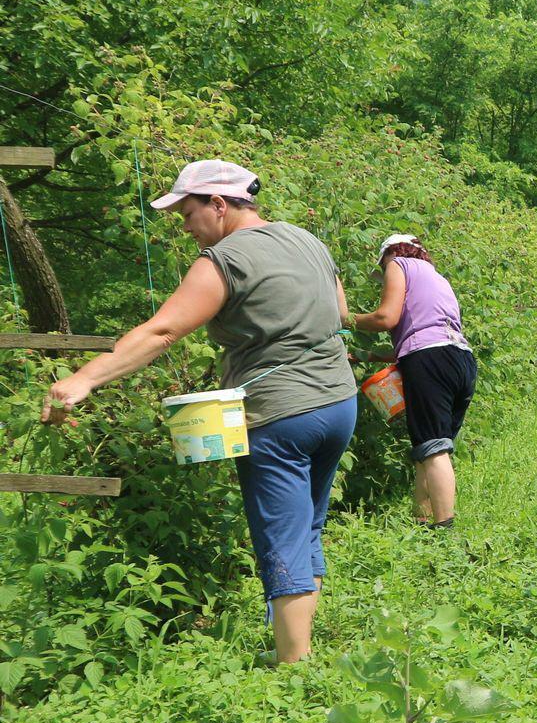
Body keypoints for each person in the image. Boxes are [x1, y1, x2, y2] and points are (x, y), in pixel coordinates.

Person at [41, 159, 356, 664]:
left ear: (219, 204)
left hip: (280, 415)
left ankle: (294, 671)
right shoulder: (306, 239)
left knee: (281, 536)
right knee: (307, 527)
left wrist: (84, 379)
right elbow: (340, 314)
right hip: (339, 403)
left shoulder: (224, 259)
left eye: (188, 213)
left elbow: (164, 331)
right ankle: (298, 643)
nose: (186, 227)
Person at [349, 234, 476, 527]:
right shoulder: (438, 279)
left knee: (433, 447)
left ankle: (444, 530)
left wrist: (345, 318)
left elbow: (386, 318)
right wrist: (365, 355)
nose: (383, 276)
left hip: (429, 359)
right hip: (461, 359)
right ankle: (422, 522)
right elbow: (416, 337)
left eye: (381, 269)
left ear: (390, 255)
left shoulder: (399, 263)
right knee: (428, 449)